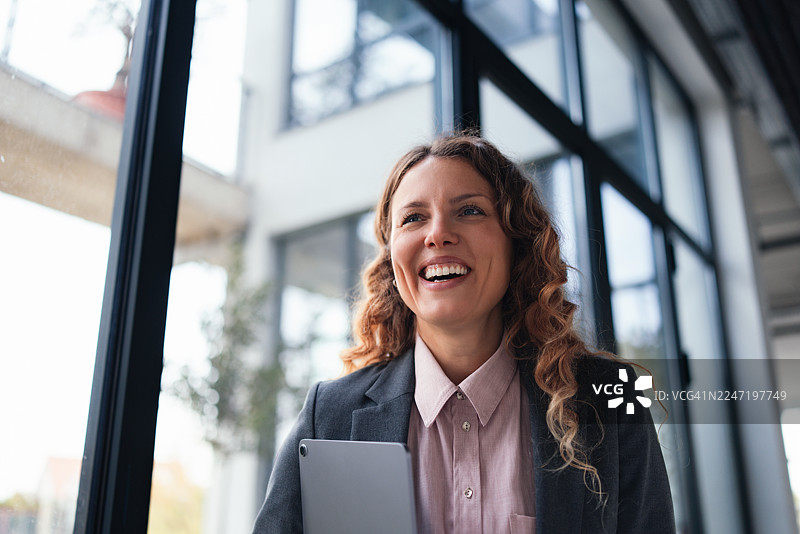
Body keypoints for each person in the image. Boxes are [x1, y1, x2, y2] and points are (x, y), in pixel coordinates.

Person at [252, 134, 675, 533]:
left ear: (517, 243)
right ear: (394, 264)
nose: (437, 234)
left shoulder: (611, 400)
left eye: (470, 210)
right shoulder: (329, 415)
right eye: (413, 218)